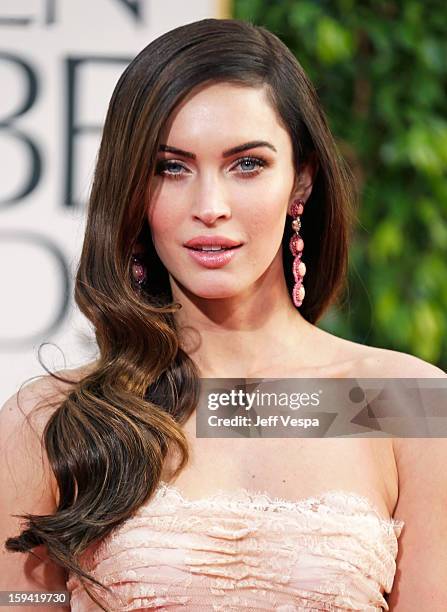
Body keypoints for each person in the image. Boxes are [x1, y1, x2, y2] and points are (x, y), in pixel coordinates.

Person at [1, 17, 446, 612]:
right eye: (171, 167)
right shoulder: (50, 421)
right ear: (132, 188)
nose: (210, 207)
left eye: (247, 165)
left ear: (302, 180)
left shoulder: (404, 403)